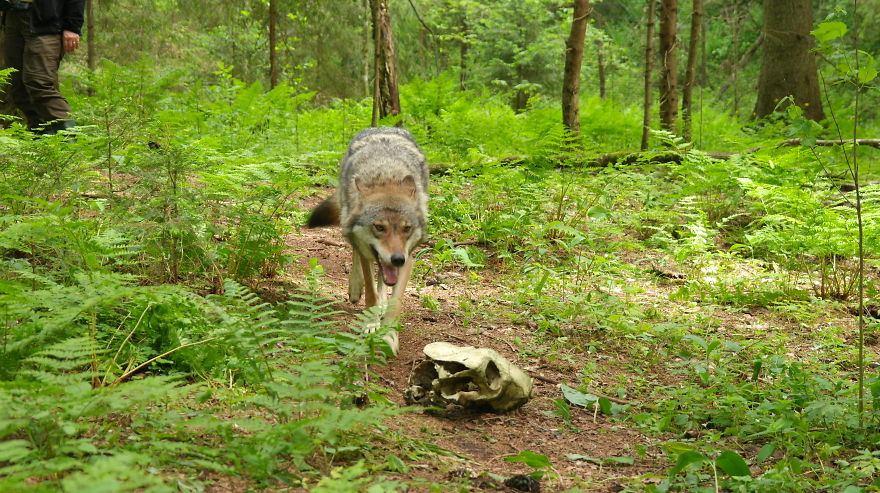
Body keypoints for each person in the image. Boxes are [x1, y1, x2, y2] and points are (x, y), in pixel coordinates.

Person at [1, 0, 84, 134]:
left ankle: (69, 139)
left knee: (39, 82)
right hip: (12, 16)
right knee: (17, 86)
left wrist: (72, 26)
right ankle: (42, 140)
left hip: (46, 20)